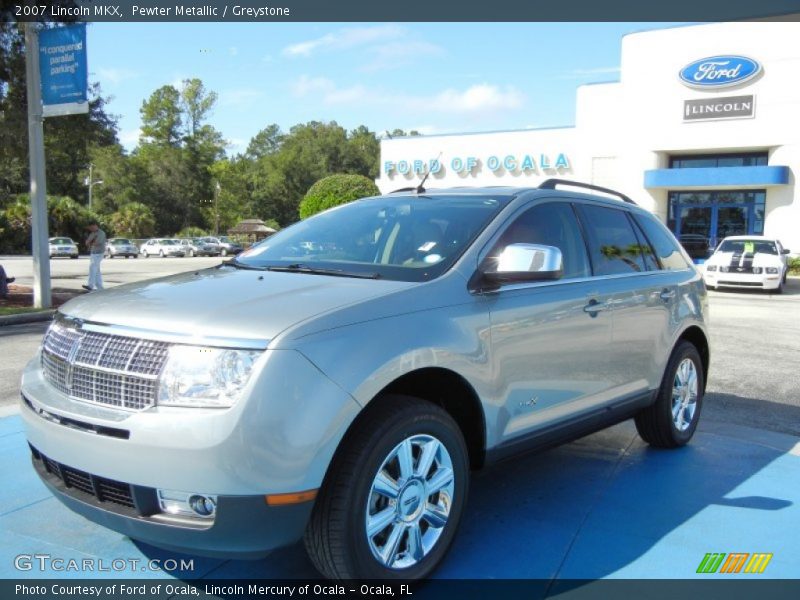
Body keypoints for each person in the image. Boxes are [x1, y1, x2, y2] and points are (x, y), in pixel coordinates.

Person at [83, 220, 106, 291]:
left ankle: (90, 285)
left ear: (95, 225)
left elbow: (97, 243)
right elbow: (87, 242)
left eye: (91, 227)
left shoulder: (101, 233)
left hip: (99, 253)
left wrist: (90, 242)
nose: (91, 229)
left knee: (92, 267)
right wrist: (89, 242)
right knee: (96, 270)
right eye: (90, 228)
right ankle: (100, 287)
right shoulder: (92, 233)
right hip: (93, 253)